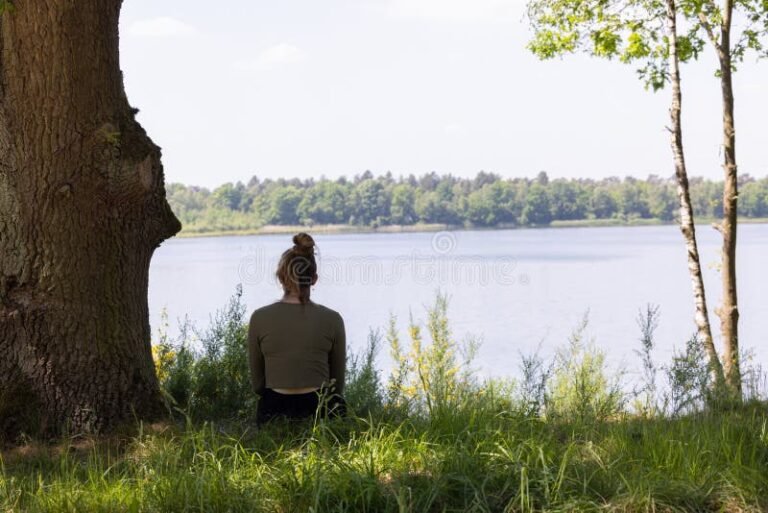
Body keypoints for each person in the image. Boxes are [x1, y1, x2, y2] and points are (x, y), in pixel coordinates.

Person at [248, 232, 346, 423]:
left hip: (273, 411)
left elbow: (258, 385)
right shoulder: (333, 319)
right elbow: (337, 386)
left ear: (281, 278)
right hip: (320, 411)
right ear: (314, 278)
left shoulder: (259, 318)